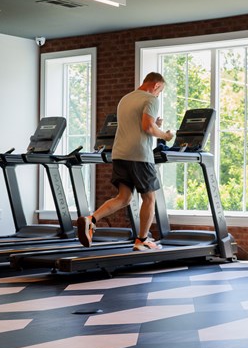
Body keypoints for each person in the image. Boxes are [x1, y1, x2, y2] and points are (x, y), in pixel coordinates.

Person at [75, 72, 175, 251]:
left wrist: (155, 126)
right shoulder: (151, 99)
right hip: (139, 155)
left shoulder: (125, 99)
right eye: (160, 91)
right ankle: (142, 240)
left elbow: (139, 124)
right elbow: (147, 127)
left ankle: (91, 220)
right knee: (150, 198)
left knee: (123, 198)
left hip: (119, 153)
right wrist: (165, 135)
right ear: (157, 85)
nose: (158, 95)